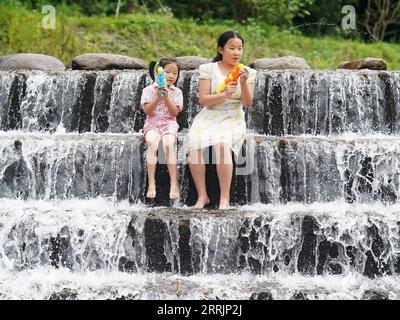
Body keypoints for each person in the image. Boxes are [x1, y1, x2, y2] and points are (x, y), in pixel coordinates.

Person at [184, 30, 257, 209]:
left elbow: (247, 104)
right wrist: (225, 94)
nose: (236, 53)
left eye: (239, 48)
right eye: (232, 48)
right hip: (209, 114)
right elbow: (203, 100)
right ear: (221, 49)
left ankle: (225, 199)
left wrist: (243, 85)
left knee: (222, 144)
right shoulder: (208, 69)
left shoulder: (248, 73)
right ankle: (202, 197)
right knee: (194, 145)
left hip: (232, 116)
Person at [140, 58, 183, 200]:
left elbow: (174, 113)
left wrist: (167, 98)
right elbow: (147, 111)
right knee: (152, 142)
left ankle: (174, 183)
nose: (171, 76)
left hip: (169, 123)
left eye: (175, 73)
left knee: (168, 144)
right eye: (167, 72)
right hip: (152, 123)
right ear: (159, 73)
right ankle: (151, 183)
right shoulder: (148, 90)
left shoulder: (177, 92)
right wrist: (158, 98)